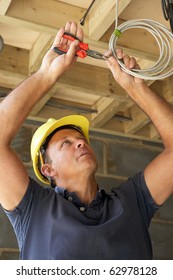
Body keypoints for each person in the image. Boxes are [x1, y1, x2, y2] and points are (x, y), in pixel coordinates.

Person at [0, 21, 173, 260]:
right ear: (48, 168)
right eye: (66, 143)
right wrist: (46, 74)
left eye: (80, 139)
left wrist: (136, 87)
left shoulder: (132, 202)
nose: (81, 143)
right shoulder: (33, 209)